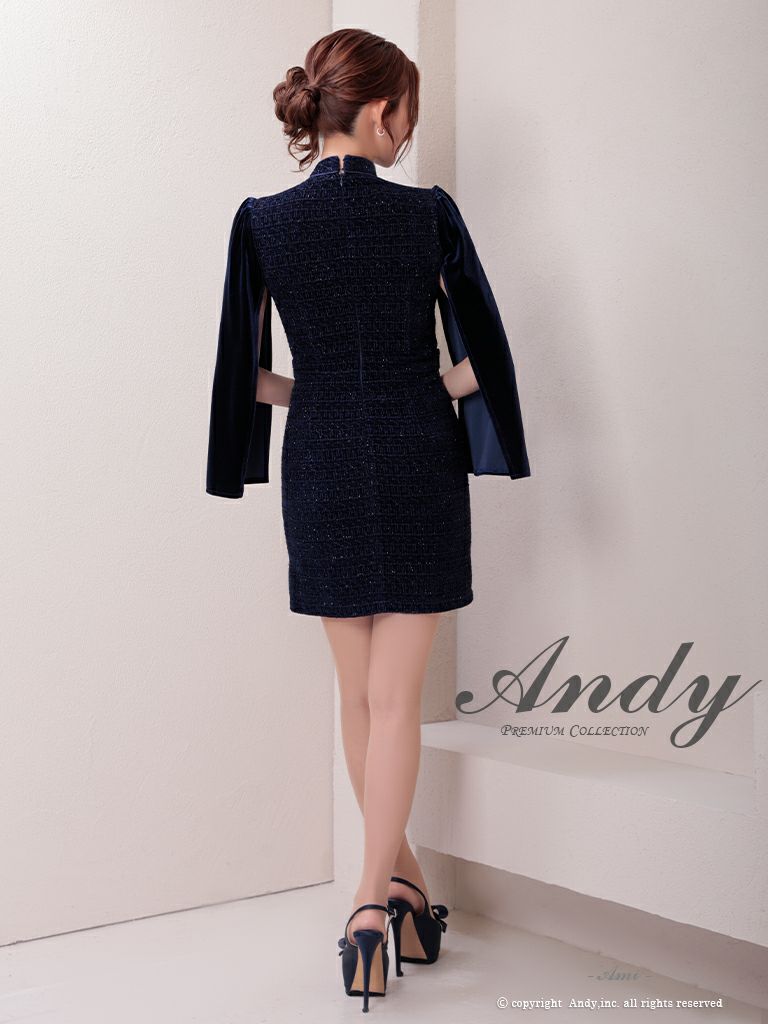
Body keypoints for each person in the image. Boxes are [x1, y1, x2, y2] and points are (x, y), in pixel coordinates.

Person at [206, 27, 531, 1011]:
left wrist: (314, 395)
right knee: (397, 704)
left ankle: (400, 895)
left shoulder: (264, 221)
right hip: (417, 456)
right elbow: (485, 360)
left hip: (323, 464)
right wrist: (429, 387)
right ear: (384, 109)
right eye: (407, 116)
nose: (407, 134)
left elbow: (243, 376)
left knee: (356, 700)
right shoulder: (427, 214)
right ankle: (372, 903)